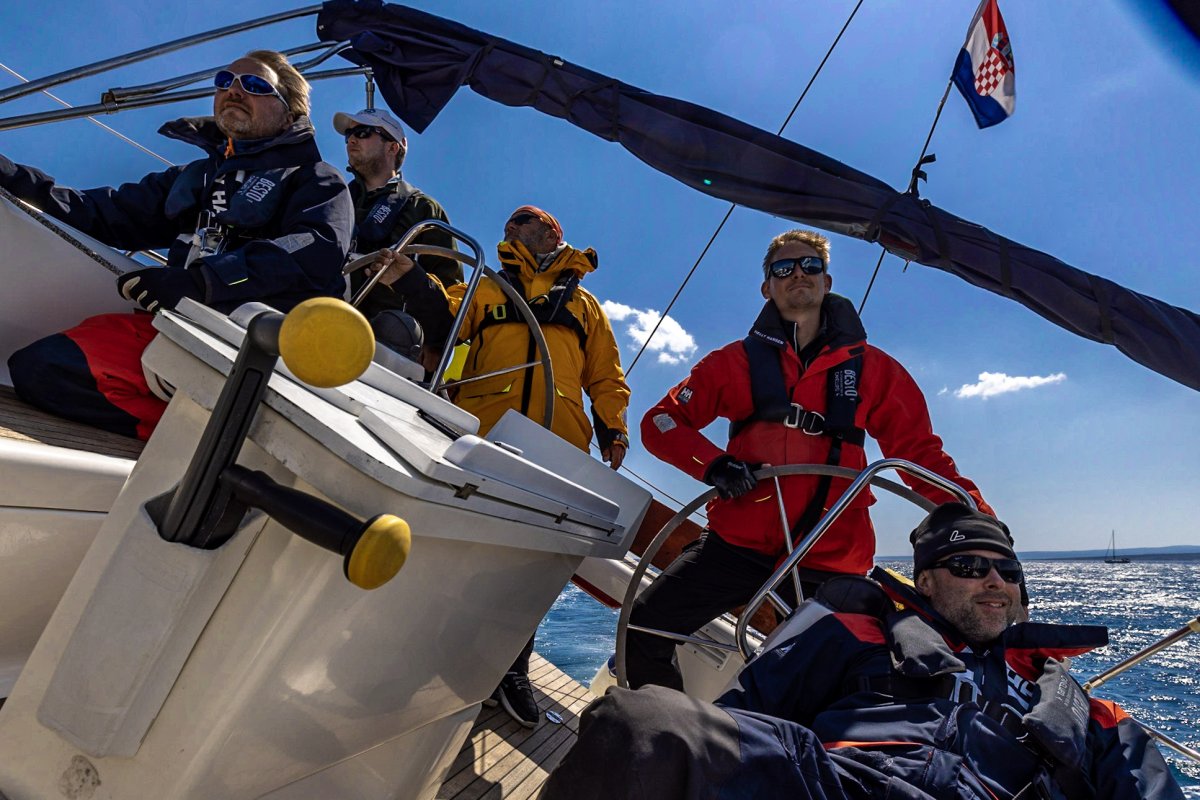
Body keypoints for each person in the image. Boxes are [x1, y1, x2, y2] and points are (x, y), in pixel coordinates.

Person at [542, 503, 1185, 800]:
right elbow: (745, 716)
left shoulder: (1085, 711)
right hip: (840, 783)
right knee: (641, 722)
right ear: (925, 582)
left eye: (1007, 570)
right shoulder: (855, 630)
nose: (994, 581)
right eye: (968, 566)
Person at [629, 229, 994, 690]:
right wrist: (713, 464)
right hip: (737, 543)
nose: (798, 274)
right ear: (767, 287)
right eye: (784, 268)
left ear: (827, 281)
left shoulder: (874, 370)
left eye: (810, 266)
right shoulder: (732, 364)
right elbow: (661, 422)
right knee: (644, 628)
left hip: (833, 555)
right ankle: (661, 727)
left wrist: (981, 520)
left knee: (831, 683)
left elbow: (919, 456)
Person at [2, 50, 352, 440]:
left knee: (45, 369)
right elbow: (102, 212)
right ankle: (205, 429)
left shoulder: (316, 180)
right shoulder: (196, 178)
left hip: (259, 348)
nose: (234, 91)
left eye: (254, 85)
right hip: (181, 328)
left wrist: (203, 282)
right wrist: (10, 176)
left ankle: (219, 436)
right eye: (224, 81)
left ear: (290, 115)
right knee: (41, 366)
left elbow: (313, 249)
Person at [376, 204, 631, 727]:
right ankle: (415, 657)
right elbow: (445, 321)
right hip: (487, 435)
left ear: (553, 230)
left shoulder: (586, 307)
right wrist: (411, 281)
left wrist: (614, 428)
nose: (511, 226)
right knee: (459, 548)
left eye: (523, 219)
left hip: (559, 447)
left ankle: (509, 668)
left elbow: (605, 375)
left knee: (529, 567)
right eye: (509, 222)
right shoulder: (487, 286)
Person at [332, 107, 460, 340]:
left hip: (385, 342)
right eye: (348, 135)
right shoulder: (331, 198)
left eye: (363, 132)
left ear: (393, 147)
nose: (351, 139)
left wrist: (409, 279)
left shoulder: (424, 209)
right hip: (323, 321)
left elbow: (451, 299)